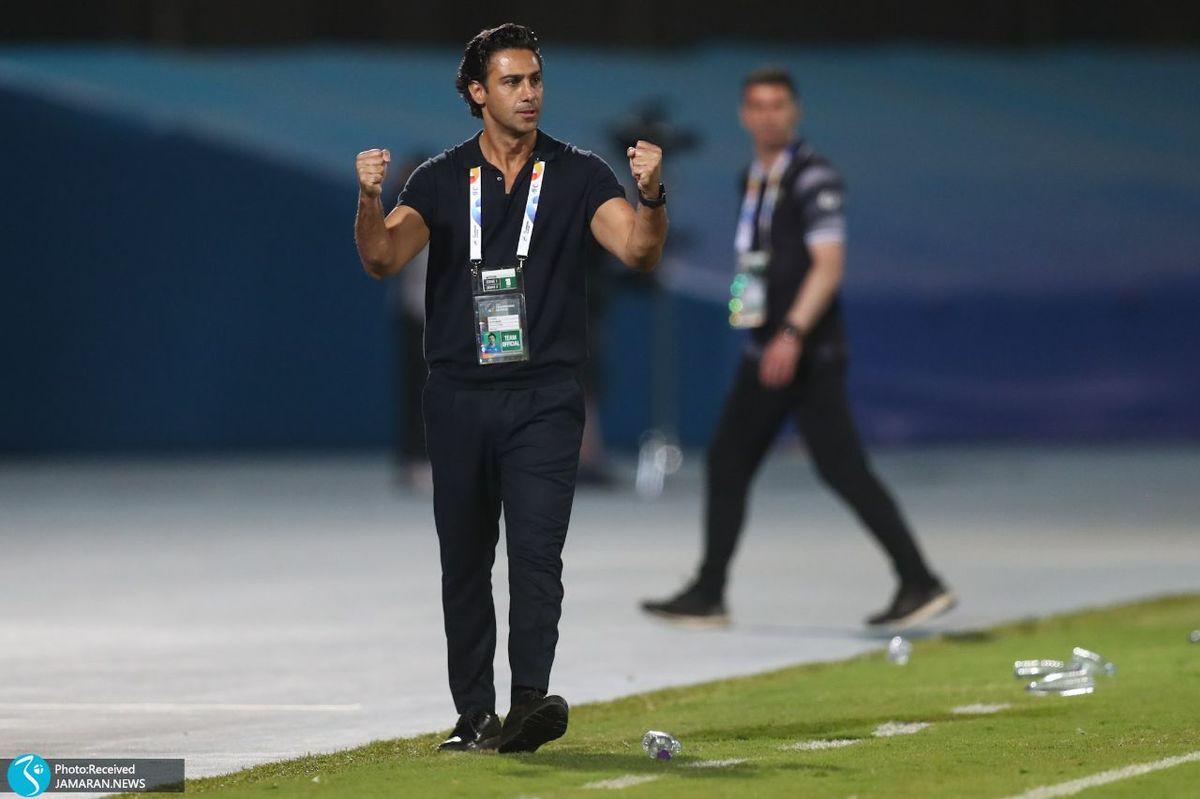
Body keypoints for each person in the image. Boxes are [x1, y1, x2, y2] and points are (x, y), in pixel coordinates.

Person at [354, 23, 667, 753]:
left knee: (535, 554)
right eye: (512, 81)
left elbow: (637, 250)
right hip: (458, 395)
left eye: (535, 80)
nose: (529, 94)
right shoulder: (439, 179)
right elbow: (382, 257)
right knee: (465, 561)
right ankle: (473, 715)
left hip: (544, 396)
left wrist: (652, 196)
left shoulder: (579, 173)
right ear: (477, 92)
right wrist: (368, 198)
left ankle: (529, 702)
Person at [641, 67, 954, 632]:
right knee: (732, 461)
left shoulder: (814, 177)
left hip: (805, 352)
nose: (768, 116)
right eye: (758, 106)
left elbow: (828, 267)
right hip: (767, 348)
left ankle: (919, 580)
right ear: (744, 115)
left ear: (796, 112)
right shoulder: (753, 178)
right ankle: (710, 590)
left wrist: (791, 333)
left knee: (838, 468)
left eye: (778, 105)